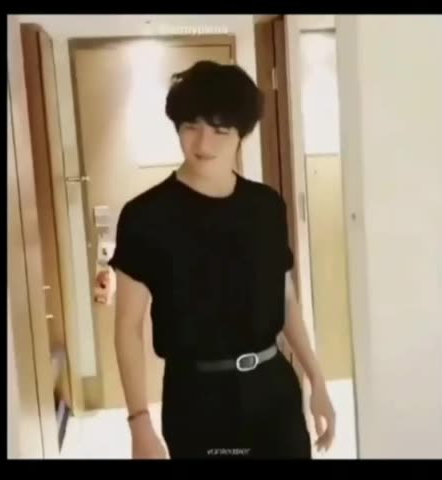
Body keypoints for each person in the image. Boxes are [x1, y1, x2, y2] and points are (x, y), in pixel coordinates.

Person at [102, 60, 335, 459]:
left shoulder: (266, 207)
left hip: (273, 389)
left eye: (220, 130)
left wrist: (317, 379)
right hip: (197, 399)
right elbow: (128, 327)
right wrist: (139, 423)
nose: (203, 144)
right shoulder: (145, 216)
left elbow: (285, 299)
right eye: (190, 127)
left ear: (241, 133)